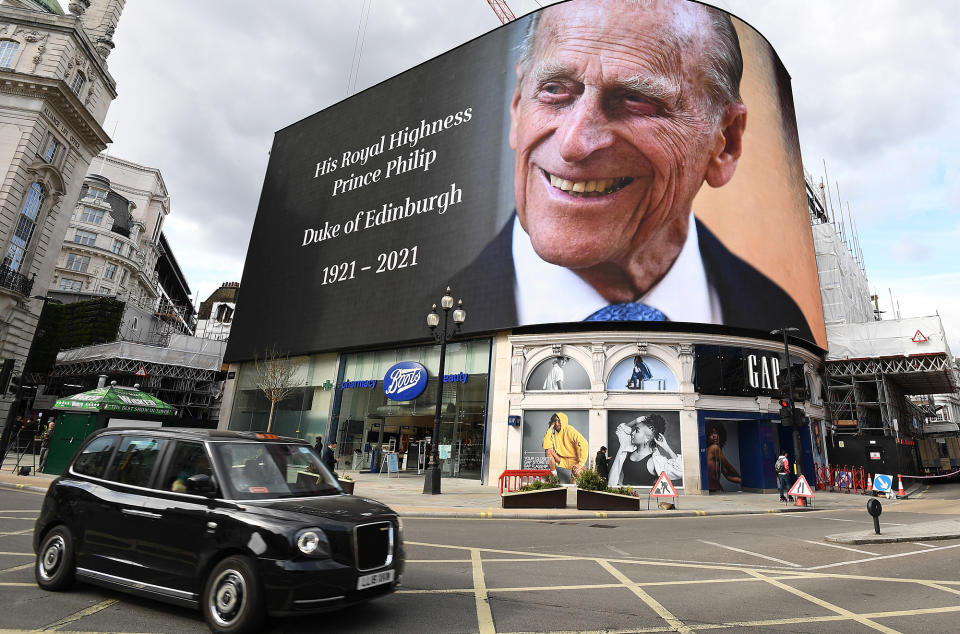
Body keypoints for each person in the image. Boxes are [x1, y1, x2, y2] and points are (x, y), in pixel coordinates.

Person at [447, 0, 813, 341]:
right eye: (554, 89)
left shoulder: (783, 323)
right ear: (517, 105)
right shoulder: (435, 320)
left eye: (636, 100)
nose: (572, 144)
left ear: (726, 142)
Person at [608, 414, 682, 487]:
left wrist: (666, 447)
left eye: (637, 431)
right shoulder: (628, 446)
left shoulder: (655, 461)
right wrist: (635, 421)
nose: (632, 433)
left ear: (647, 438)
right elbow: (621, 430)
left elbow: (681, 470)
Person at [542, 412, 588, 483]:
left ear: (563, 421)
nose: (557, 423)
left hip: (576, 461)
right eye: (555, 421)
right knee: (548, 451)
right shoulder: (553, 435)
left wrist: (581, 463)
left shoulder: (569, 430)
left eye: (559, 421)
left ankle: (574, 479)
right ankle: (554, 477)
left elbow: (584, 443)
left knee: (578, 474)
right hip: (563, 460)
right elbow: (546, 445)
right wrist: (550, 429)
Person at [706, 424, 741, 492]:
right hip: (712, 489)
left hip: (715, 488)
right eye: (710, 434)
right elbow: (729, 467)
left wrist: (742, 481)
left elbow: (728, 476)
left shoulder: (713, 452)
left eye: (715, 433)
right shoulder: (714, 448)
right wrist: (741, 478)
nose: (714, 436)